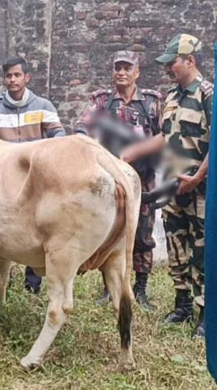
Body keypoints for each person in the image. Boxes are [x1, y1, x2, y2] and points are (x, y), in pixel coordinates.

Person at [74, 50, 162, 310]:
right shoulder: (102, 102)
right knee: (110, 232)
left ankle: (141, 288)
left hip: (143, 181)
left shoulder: (152, 102)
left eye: (127, 68)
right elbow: (82, 126)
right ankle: (108, 286)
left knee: (143, 235)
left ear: (137, 72)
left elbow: (166, 135)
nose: (121, 72)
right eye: (117, 68)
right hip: (111, 182)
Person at [0, 56, 66, 294]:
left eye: (17, 75)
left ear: (27, 78)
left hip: (35, 178)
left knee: (34, 225)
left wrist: (41, 154)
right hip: (3, 180)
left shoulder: (43, 106)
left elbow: (58, 135)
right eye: (8, 76)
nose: (12, 80)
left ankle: (32, 284)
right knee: (7, 224)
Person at [153, 34, 217, 336]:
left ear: (190, 61)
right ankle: (182, 304)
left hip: (199, 187)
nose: (168, 69)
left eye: (173, 63)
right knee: (176, 244)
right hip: (172, 186)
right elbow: (165, 138)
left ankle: (205, 312)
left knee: (201, 249)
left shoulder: (208, 94)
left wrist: (197, 179)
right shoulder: (170, 97)